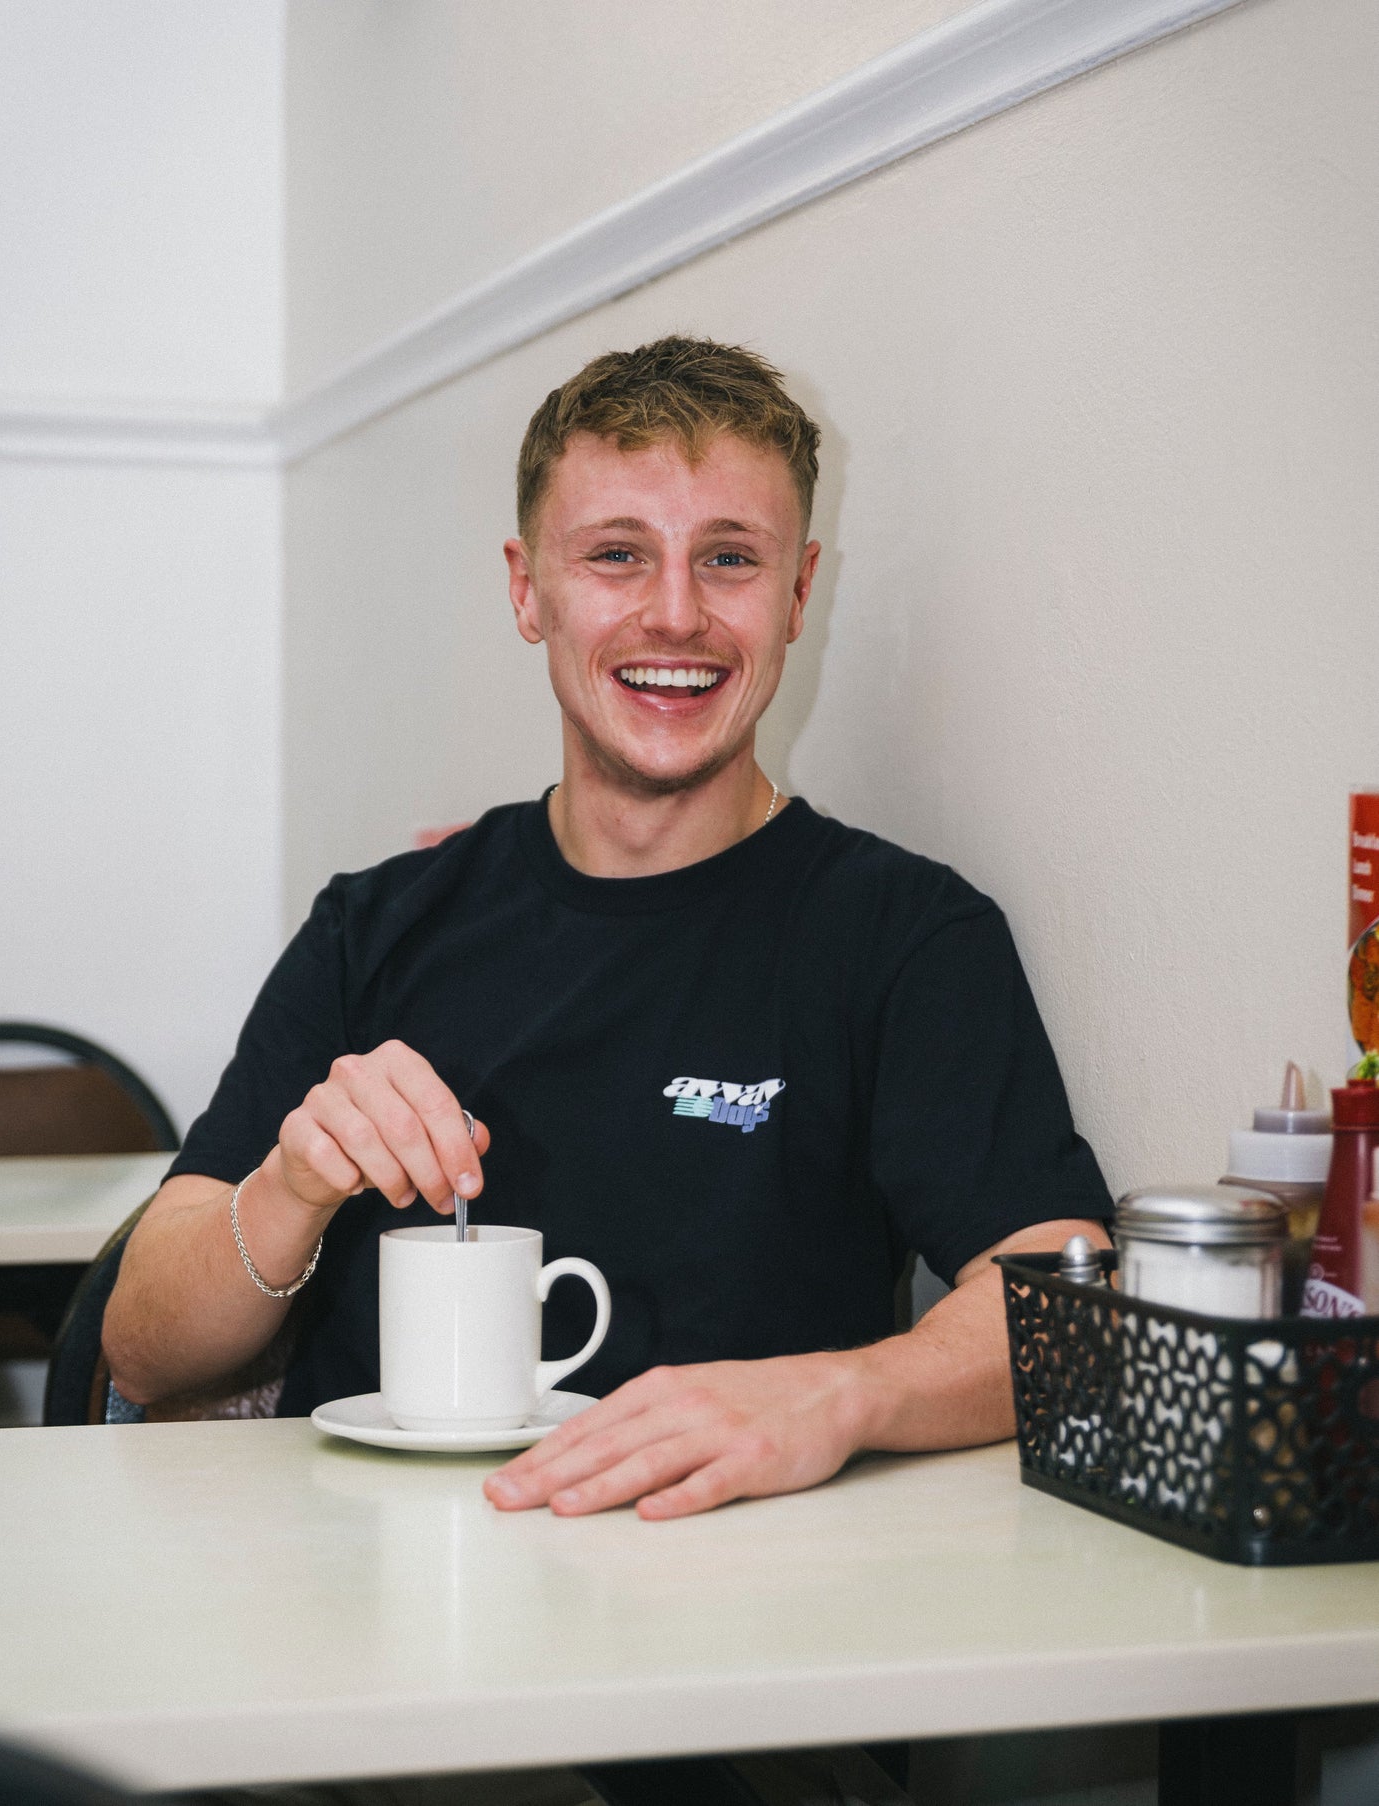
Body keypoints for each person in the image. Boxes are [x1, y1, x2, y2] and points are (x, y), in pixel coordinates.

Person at [104, 336, 1111, 1529]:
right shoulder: (375, 925)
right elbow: (143, 1352)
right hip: (370, 1616)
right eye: (617, 556)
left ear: (797, 595)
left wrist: (836, 1396)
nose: (674, 615)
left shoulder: (901, 935)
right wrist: (291, 1183)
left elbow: (1065, 1294)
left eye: (729, 559)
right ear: (528, 590)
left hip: (737, 1626)